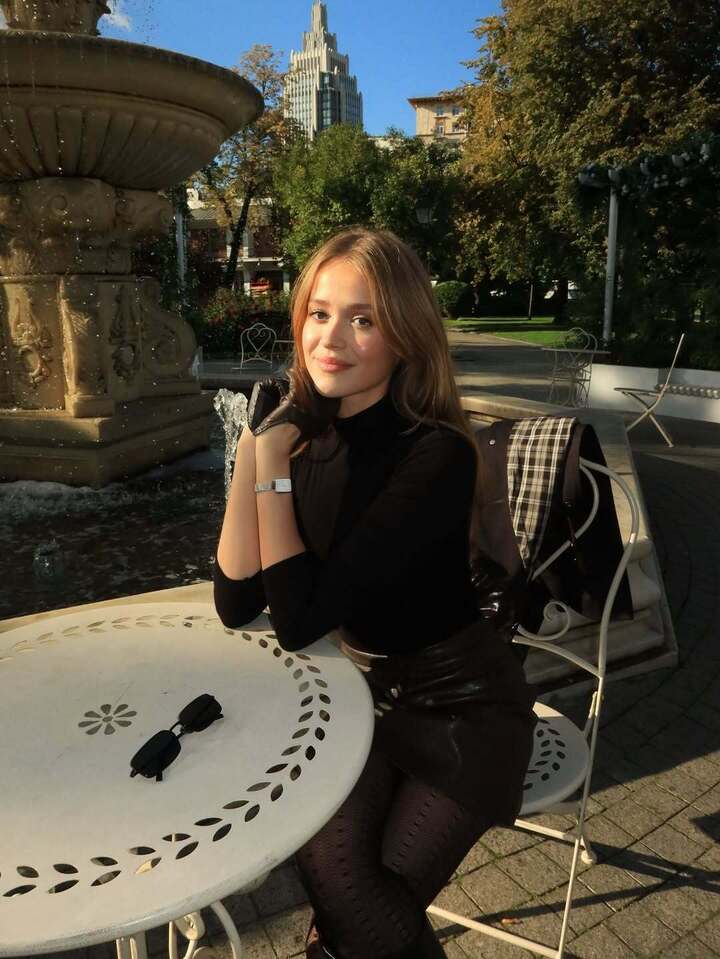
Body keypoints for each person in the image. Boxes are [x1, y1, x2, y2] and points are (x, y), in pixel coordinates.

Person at [213, 227, 537, 959]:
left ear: (404, 336)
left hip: (462, 707)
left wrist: (272, 468)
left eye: (363, 319)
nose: (331, 339)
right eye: (319, 313)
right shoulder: (302, 438)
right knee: (330, 872)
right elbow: (235, 601)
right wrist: (254, 451)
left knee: (350, 897)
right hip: (362, 699)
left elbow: (297, 619)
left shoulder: (435, 454)